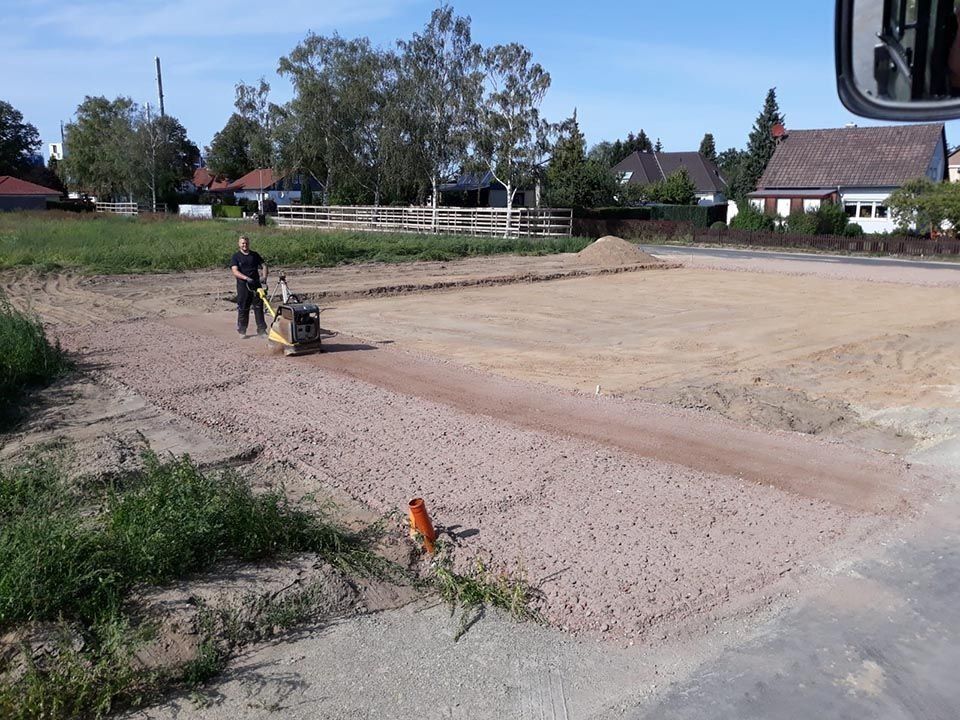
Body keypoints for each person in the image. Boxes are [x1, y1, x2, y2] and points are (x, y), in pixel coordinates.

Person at [230, 234, 268, 336]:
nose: (245, 245)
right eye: (243, 243)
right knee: (243, 308)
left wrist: (264, 277)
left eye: (246, 243)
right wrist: (246, 278)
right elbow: (235, 271)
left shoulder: (254, 255)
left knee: (259, 307)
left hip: (256, 285)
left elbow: (264, 265)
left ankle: (262, 330)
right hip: (243, 285)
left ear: (249, 243)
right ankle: (242, 330)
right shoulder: (236, 257)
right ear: (239, 244)